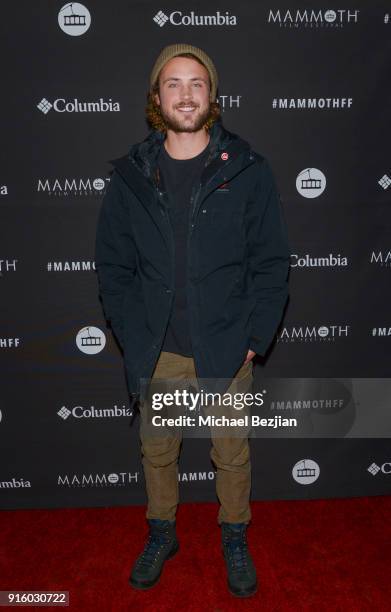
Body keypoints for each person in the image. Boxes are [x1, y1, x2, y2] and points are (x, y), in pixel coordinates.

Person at [95, 43, 291, 598]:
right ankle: (163, 533)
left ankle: (234, 535)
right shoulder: (133, 175)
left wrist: (255, 337)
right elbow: (113, 265)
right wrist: (132, 331)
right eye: (174, 84)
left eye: (197, 83)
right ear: (157, 97)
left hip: (226, 346)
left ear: (213, 95)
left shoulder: (247, 170)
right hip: (160, 349)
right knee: (157, 451)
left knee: (232, 454)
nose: (186, 94)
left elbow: (271, 260)